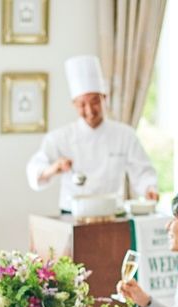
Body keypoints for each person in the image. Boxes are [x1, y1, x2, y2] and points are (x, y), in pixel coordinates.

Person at [26, 55, 158, 212]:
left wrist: (150, 189)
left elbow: (142, 171)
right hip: (72, 213)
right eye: (82, 104)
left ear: (104, 98)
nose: (89, 110)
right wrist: (54, 168)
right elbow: (35, 171)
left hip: (112, 212)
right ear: (74, 104)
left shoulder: (125, 135)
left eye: (94, 101)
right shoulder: (59, 138)